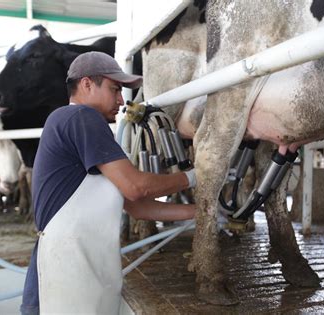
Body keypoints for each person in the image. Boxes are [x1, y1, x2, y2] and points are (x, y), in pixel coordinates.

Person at [20, 51, 196, 315]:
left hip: (70, 263)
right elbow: (137, 187)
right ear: (87, 84)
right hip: (65, 267)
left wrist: (202, 213)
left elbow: (139, 207)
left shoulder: (78, 127)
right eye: (115, 89)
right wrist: (194, 176)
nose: (121, 100)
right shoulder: (81, 117)